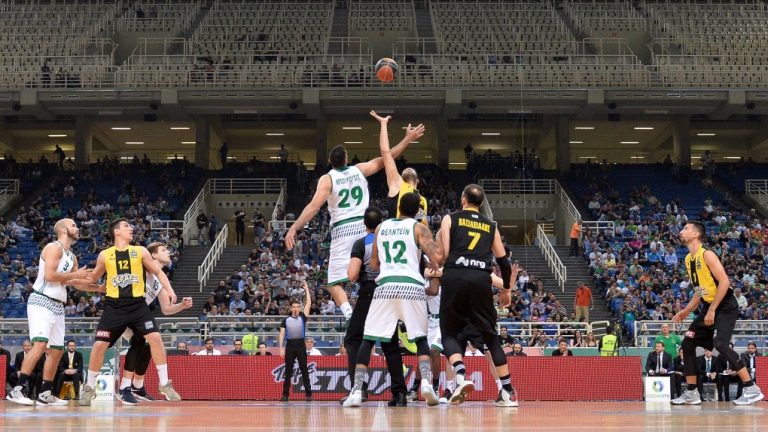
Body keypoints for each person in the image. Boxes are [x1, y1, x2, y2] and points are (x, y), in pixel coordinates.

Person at [284, 117, 422, 322]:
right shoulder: (359, 169)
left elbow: (314, 207)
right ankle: (389, 313)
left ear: (331, 162)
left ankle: (350, 315)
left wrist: (294, 227)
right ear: (347, 159)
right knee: (373, 275)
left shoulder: (328, 178)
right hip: (367, 228)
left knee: (334, 283)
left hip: (343, 231)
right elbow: (387, 157)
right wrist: (407, 139)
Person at [343, 193, 443, 408]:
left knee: (368, 339)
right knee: (420, 339)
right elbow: (438, 256)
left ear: (398, 207)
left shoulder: (380, 228)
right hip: (411, 287)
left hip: (385, 286)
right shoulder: (418, 227)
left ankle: (356, 391)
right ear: (417, 210)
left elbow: (375, 264)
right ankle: (426, 382)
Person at [80, 219, 180, 406]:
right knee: (99, 345)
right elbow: (92, 279)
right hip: (113, 307)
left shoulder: (140, 251)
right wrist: (72, 280)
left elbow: (158, 272)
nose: (131, 228)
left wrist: (171, 290)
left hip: (137, 305)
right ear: (116, 231)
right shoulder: (105, 255)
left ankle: (164, 383)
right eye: (126, 226)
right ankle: (89, 388)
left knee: (155, 338)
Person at [437, 184, 520, 407]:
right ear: (481, 204)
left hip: (454, 277)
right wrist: (506, 289)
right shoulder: (491, 225)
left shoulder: (449, 219)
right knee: (491, 338)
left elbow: (443, 255)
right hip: (481, 280)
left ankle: (461, 374)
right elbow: (503, 262)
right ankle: (508, 393)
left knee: (449, 334)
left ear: (462, 199)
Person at [671, 221, 763, 405]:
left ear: (696, 234)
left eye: (685, 229)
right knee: (688, 343)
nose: (681, 231)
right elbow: (701, 290)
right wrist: (686, 310)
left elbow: (724, 282)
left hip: (725, 306)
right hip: (709, 306)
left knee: (720, 344)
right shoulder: (689, 258)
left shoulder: (708, 254)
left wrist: (712, 309)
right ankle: (692, 393)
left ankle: (752, 389)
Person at [7, 219, 94, 406]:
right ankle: (17, 389)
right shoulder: (54, 248)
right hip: (41, 299)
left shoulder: (72, 256)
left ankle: (45, 392)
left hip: (57, 304)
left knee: (56, 351)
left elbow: (74, 282)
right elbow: (50, 276)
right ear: (63, 230)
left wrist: (98, 287)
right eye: (73, 226)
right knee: (40, 344)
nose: (77, 228)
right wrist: (75, 275)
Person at [342, 206, 406, 406]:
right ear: (382, 222)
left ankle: (358, 389)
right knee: (390, 343)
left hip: (369, 291)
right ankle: (400, 393)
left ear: (364, 224)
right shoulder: (389, 240)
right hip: (389, 291)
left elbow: (352, 275)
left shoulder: (361, 243)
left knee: (354, 339)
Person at [117, 242, 192, 404]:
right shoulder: (143, 267)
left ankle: (137, 386)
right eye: (164, 250)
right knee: (142, 341)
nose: (169, 253)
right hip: (123, 310)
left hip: (138, 315)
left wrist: (182, 306)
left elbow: (166, 309)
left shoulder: (161, 280)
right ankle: (128, 387)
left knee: (147, 344)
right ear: (154, 256)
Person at [370, 111, 428, 225]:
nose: (409, 169)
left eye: (412, 170)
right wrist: (383, 124)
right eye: (405, 170)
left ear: (417, 181)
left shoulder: (423, 200)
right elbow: (386, 152)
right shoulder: (397, 184)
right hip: (396, 237)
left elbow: (423, 225)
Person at [278, 281, 312, 402]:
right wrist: (281, 348)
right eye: (294, 307)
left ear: (299, 308)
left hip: (300, 345)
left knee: (304, 369)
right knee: (288, 371)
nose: (296, 308)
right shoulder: (285, 320)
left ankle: (309, 394)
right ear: (291, 308)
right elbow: (281, 334)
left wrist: (306, 288)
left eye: (298, 307)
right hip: (290, 345)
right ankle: (285, 395)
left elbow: (309, 303)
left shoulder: (303, 317)